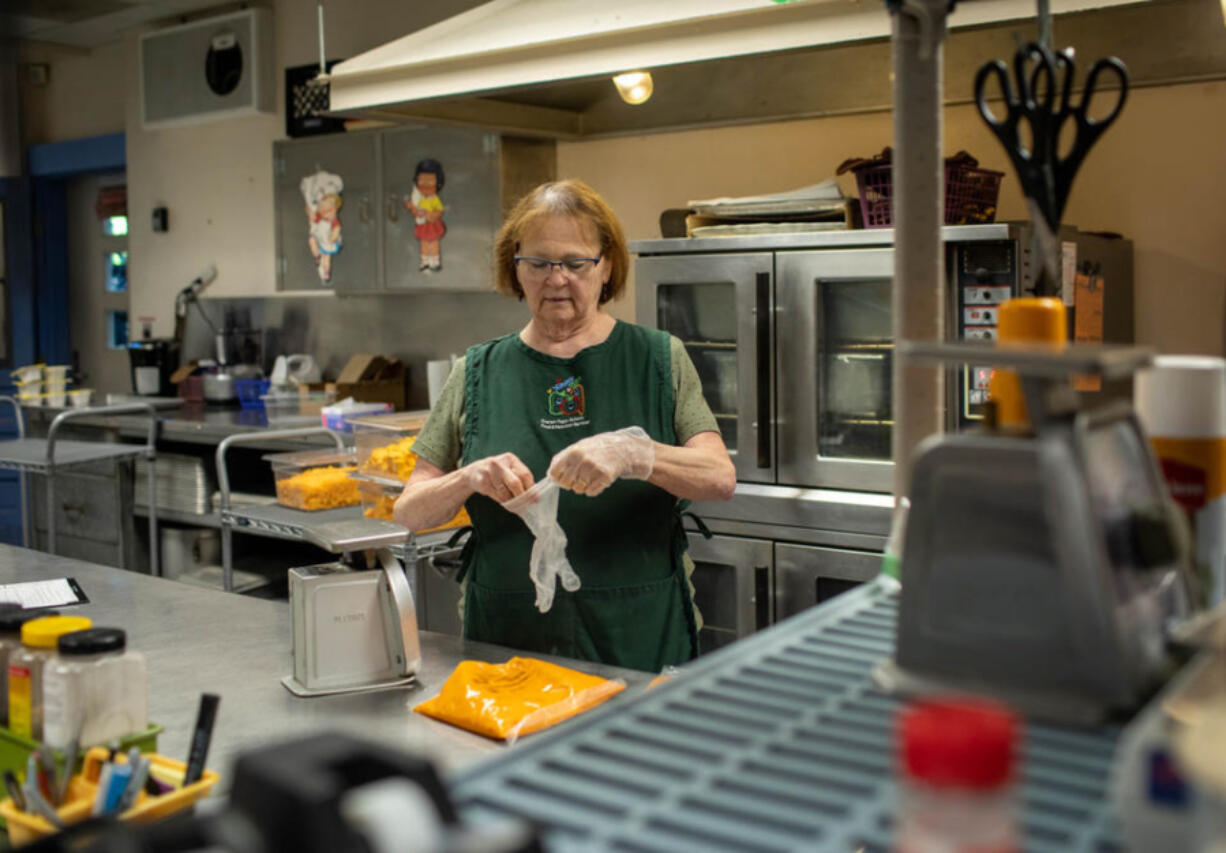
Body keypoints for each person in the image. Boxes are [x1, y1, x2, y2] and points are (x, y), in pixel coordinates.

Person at [394, 179, 736, 672]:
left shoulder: (659, 358)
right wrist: (466, 478)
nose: (557, 279)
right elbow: (409, 512)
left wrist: (636, 455)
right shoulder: (476, 371)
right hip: (509, 637)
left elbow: (719, 478)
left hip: (638, 634)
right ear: (516, 270)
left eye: (576, 263)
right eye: (538, 263)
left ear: (607, 266)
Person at [404, 158, 445, 272]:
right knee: (424, 243)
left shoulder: (434, 199)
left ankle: (435, 261)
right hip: (423, 226)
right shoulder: (420, 199)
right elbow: (416, 211)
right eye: (422, 182)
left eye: (431, 182)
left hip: (433, 225)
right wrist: (411, 207)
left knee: (434, 242)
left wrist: (429, 215)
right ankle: (425, 261)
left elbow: (439, 211)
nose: (426, 186)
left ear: (438, 184)